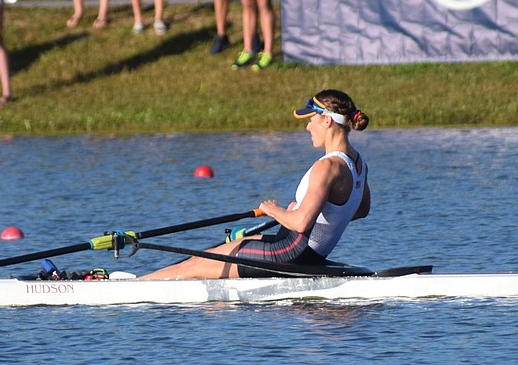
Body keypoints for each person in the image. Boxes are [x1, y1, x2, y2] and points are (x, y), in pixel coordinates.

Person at [139, 89, 370, 280]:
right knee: (205, 256)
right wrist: (310, 213)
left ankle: (135, 287)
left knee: (191, 267)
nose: (308, 127)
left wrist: (275, 210)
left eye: (311, 120)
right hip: (305, 252)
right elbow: (360, 209)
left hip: (289, 252)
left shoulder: (327, 167)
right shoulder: (358, 163)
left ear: (327, 120)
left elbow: (300, 224)